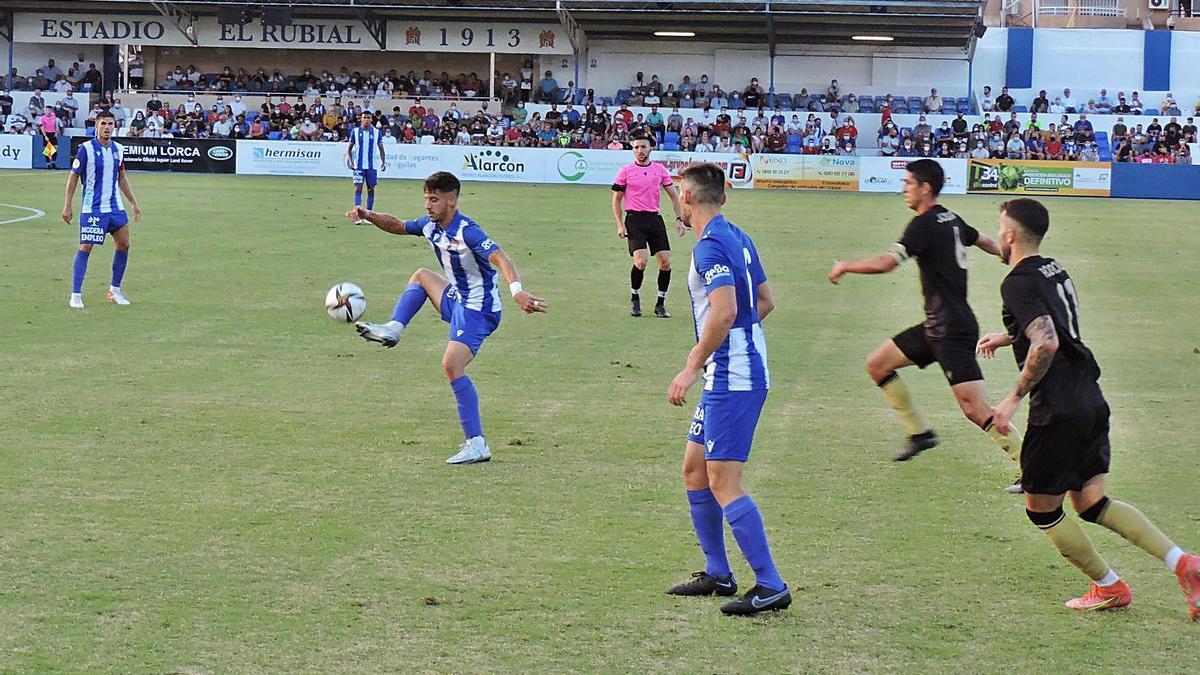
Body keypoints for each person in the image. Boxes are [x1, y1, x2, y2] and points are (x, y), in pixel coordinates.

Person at [977, 198, 1200, 615]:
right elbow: (1051, 325)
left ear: (1009, 234)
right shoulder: (1053, 267)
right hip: (1089, 398)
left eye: (999, 227)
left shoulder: (1016, 281)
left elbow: (1047, 341)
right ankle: (1184, 563)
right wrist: (1008, 336)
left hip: (1058, 407)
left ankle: (1110, 587)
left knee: (1042, 508)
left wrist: (1011, 398)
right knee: (1092, 501)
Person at [827, 159, 1022, 485]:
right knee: (877, 365)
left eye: (908, 182)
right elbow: (984, 239)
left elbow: (887, 263)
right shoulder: (951, 218)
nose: (904, 188)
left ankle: (1032, 467)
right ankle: (919, 433)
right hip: (936, 326)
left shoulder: (924, 224)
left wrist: (846, 265)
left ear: (925, 188)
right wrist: (1007, 255)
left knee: (975, 408)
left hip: (952, 330)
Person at [349, 172, 548, 464]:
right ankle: (393, 328)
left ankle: (477, 444)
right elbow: (398, 225)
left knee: (451, 365)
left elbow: (502, 258)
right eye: (426, 198)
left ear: (451, 200)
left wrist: (517, 292)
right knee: (422, 276)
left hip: (479, 309)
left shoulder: (468, 231)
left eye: (434, 199)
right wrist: (367, 214)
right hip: (457, 299)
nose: (428, 206)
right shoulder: (431, 226)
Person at [665, 162, 790, 616]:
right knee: (694, 469)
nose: (676, 199)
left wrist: (692, 366)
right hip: (732, 369)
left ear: (690, 199)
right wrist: (739, 344)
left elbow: (723, 311)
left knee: (722, 479)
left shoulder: (710, 246)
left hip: (733, 377)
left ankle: (771, 584)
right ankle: (718, 572)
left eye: (679, 192)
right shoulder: (736, 235)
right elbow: (766, 301)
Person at [60, 110, 142, 309]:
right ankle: (76, 294)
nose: (107, 127)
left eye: (110, 124)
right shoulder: (85, 149)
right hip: (93, 208)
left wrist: (133, 203)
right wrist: (67, 205)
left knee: (124, 245)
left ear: (115, 126)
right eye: (103, 123)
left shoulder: (119, 149)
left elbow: (121, 178)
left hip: (115, 207)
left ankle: (114, 290)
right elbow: (73, 178)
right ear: (96, 125)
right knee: (85, 247)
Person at [611, 136, 686, 318]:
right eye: (636, 147)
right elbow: (616, 199)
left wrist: (679, 219)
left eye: (643, 147)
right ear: (632, 150)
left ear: (650, 148)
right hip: (634, 220)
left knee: (665, 262)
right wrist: (620, 224)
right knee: (641, 262)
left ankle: (660, 304)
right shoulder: (626, 171)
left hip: (654, 219)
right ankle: (635, 299)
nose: (639, 151)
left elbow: (674, 196)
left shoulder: (659, 170)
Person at [346, 111, 386, 221]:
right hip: (358, 166)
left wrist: (383, 162)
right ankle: (357, 215)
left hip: (371, 167)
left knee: (371, 189)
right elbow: (349, 149)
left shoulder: (377, 133)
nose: (366, 119)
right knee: (358, 189)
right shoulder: (355, 131)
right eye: (364, 117)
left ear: (372, 119)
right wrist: (351, 161)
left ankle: (368, 216)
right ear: (361, 119)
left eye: (368, 117)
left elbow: (381, 149)